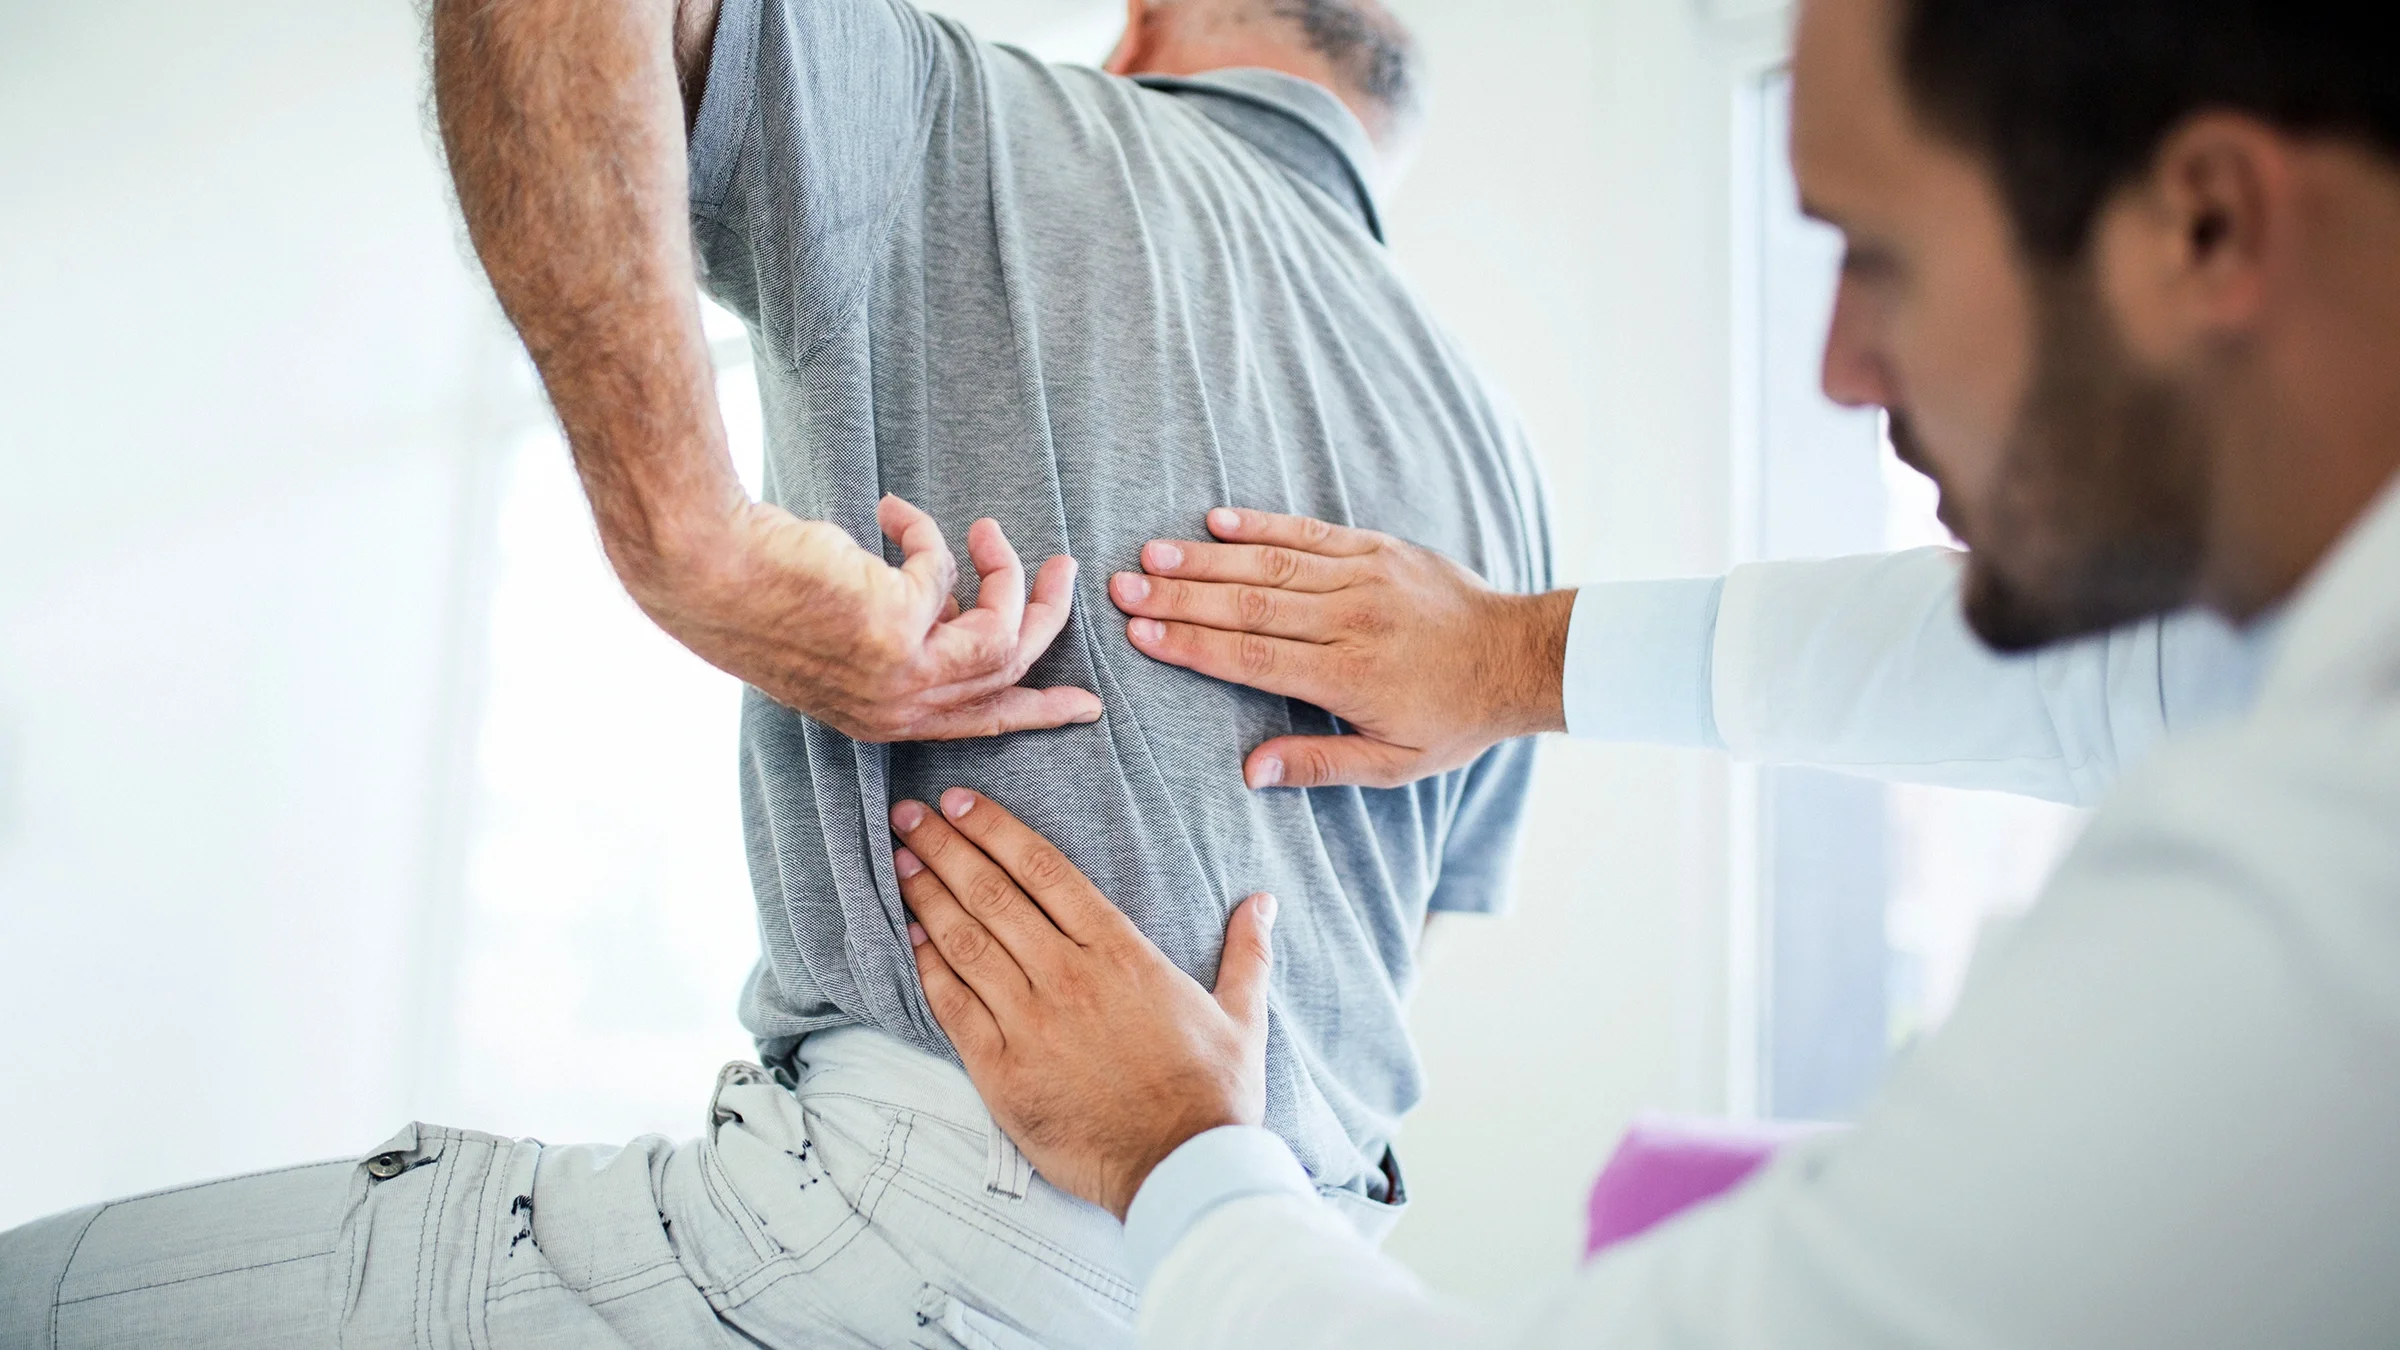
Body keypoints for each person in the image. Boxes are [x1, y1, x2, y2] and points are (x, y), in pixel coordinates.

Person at [0, 0, 1556, 1344]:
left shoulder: (984, 110)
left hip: (947, 1228)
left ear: (1141, 32)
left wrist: (693, 539)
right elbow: (1376, 948)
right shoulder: (1502, 482)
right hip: (1279, 1273)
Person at [871, 0, 2400, 1344]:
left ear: (2203, 225)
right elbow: (2112, 684)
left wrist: (1178, 1154)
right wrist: (1513, 652)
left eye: (1877, 254)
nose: (1838, 369)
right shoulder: (2303, 676)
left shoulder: (2319, 903)